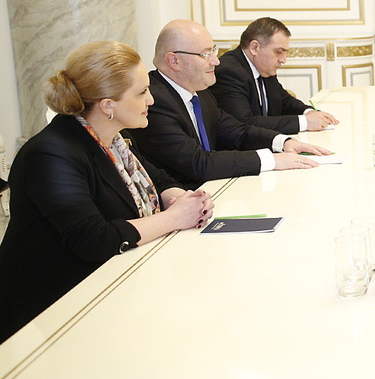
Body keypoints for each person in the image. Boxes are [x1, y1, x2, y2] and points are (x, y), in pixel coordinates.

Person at [0, 42, 213, 342]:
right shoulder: (51, 152)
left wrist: (181, 199)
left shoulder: (114, 139)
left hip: (106, 289)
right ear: (108, 105)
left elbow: (159, 181)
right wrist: (175, 217)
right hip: (49, 315)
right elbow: (93, 239)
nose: (151, 100)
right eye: (142, 92)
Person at [126, 20, 329, 190]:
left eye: (213, 51)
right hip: (184, 202)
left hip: (214, 190)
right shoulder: (155, 102)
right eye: (205, 54)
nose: (216, 61)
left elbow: (235, 131)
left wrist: (283, 142)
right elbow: (199, 163)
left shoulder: (200, 92)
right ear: (174, 61)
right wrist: (272, 160)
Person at [211, 17, 338, 133]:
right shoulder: (229, 72)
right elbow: (243, 123)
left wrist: (309, 112)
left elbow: (283, 100)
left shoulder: (264, 68)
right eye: (278, 52)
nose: (283, 60)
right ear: (254, 48)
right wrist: (305, 122)